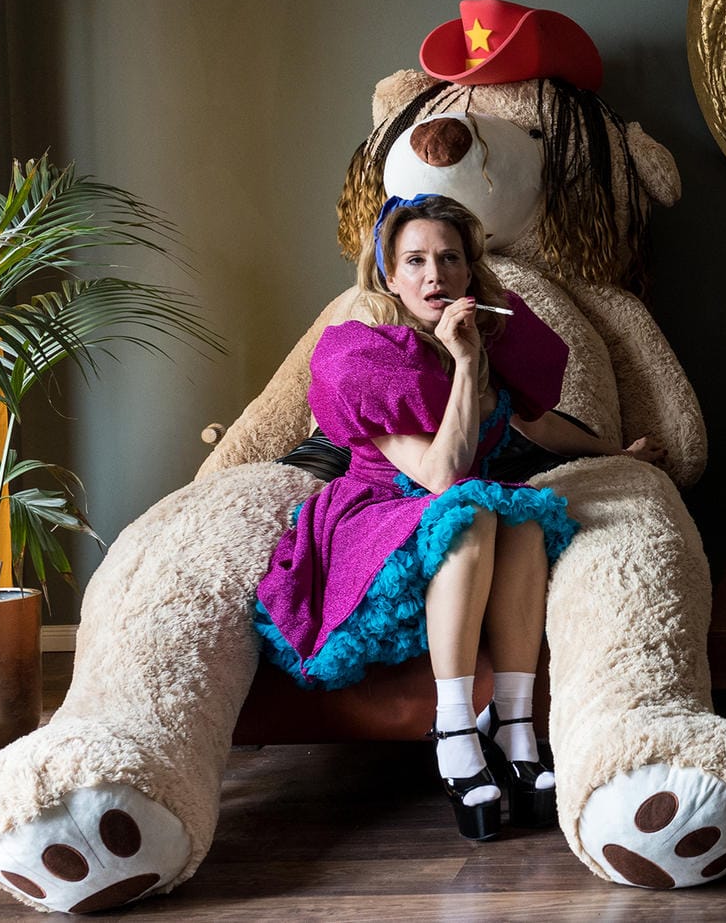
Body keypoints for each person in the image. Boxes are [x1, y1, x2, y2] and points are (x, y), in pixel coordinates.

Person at [253, 193, 654, 841]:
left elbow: (539, 423)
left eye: (449, 258)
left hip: (466, 510)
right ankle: (455, 728)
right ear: (388, 275)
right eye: (414, 260)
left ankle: (518, 725)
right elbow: (441, 473)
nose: (433, 274)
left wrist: (619, 452)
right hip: (375, 520)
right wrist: (464, 364)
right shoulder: (363, 355)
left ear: (471, 273)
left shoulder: (490, 346)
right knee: (473, 509)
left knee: (524, 516)